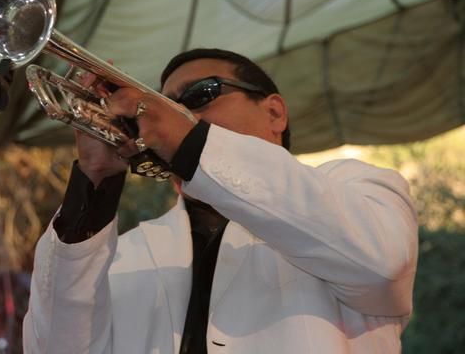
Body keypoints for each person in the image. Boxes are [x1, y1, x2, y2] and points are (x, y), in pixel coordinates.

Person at [22, 48, 418, 353]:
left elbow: (382, 265)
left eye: (200, 95)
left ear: (275, 112)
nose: (177, 115)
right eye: (167, 106)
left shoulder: (358, 188)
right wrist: (95, 181)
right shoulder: (126, 251)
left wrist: (190, 142)